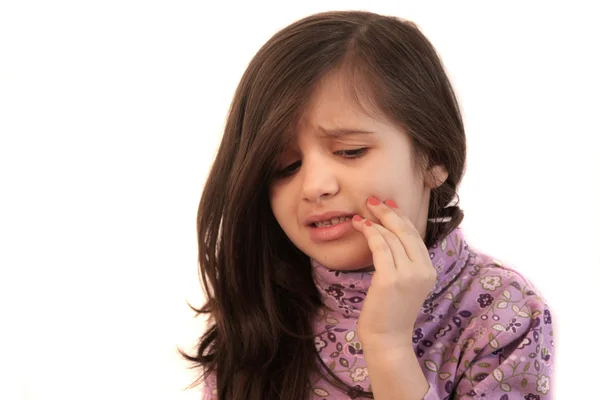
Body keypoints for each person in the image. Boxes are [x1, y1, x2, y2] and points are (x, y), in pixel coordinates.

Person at [181, 10, 554, 400]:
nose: (315, 186)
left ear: (434, 157)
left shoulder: (505, 314)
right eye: (286, 166)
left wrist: (388, 346)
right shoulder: (260, 313)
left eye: (349, 151)